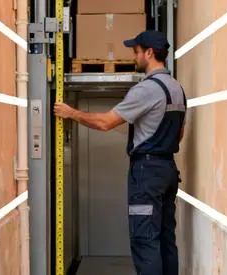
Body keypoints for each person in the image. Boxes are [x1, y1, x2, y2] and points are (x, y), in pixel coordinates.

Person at [54, 31, 185, 275]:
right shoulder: (177, 88)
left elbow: (105, 122)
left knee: (145, 240)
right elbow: (179, 134)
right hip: (167, 170)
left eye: (136, 51)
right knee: (166, 240)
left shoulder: (147, 89)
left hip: (147, 174)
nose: (133, 56)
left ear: (149, 53)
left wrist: (72, 113)